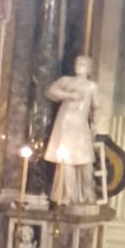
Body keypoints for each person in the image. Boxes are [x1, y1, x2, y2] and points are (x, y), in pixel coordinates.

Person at [44, 56, 100, 205]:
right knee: (66, 160)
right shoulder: (67, 81)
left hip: (80, 125)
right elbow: (50, 91)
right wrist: (69, 95)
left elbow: (96, 107)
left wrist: (94, 124)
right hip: (65, 124)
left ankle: (88, 194)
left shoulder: (91, 86)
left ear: (89, 68)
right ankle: (69, 195)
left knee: (85, 161)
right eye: (77, 63)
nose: (78, 65)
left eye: (82, 63)